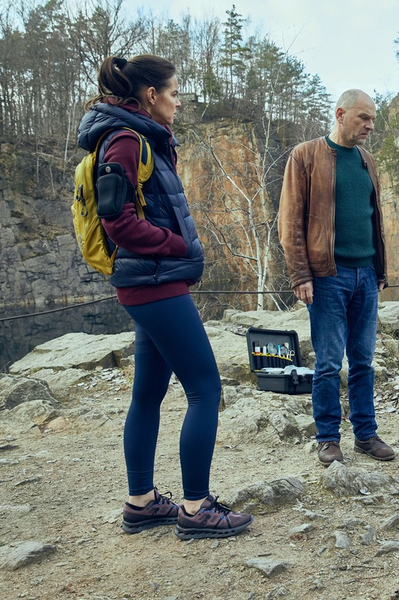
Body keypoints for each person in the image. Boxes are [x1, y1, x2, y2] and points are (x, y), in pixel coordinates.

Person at [78, 55, 252, 539]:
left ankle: (141, 502)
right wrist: (176, 246)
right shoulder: (126, 139)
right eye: (174, 92)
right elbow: (118, 221)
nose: (178, 100)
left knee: (149, 394)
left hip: (148, 283)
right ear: (151, 95)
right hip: (154, 283)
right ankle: (196, 509)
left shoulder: (138, 136)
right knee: (205, 388)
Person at [278, 89, 394, 467]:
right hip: (327, 276)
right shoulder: (306, 155)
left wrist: (380, 270)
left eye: (373, 118)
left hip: (366, 274)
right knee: (329, 363)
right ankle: (328, 438)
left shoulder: (367, 160)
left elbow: (374, 219)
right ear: (341, 114)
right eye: (363, 118)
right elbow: (290, 222)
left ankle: (365, 434)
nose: (370, 126)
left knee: (363, 361)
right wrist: (300, 275)